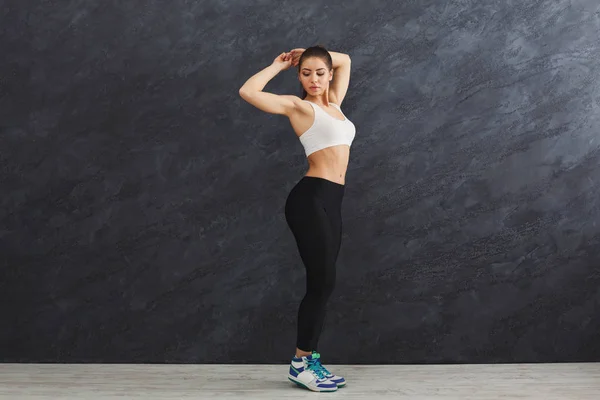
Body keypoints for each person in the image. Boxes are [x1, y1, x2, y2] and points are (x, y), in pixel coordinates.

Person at [239, 45, 355, 392]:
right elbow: (248, 91)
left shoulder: (335, 104)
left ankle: (310, 361)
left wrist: (312, 53)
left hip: (333, 201)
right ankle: (301, 363)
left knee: (325, 283)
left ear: (329, 74)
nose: (314, 79)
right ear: (299, 76)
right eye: (306, 73)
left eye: (320, 72)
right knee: (322, 282)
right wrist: (278, 65)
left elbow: (346, 59)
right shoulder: (298, 106)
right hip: (310, 198)